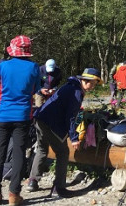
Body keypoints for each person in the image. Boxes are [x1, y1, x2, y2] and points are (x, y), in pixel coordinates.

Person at [26, 67, 102, 197]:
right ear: (86, 81)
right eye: (93, 84)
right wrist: (74, 138)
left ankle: (33, 181)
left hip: (40, 118)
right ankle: (58, 187)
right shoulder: (76, 93)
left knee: (42, 149)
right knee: (63, 152)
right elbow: (71, 117)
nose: (92, 87)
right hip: (51, 123)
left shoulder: (69, 86)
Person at [0, 36, 41, 206]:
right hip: (23, 116)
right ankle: (14, 195)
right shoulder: (34, 67)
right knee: (19, 154)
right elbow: (37, 89)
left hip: (2, 115)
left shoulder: (2, 66)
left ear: (12, 49)